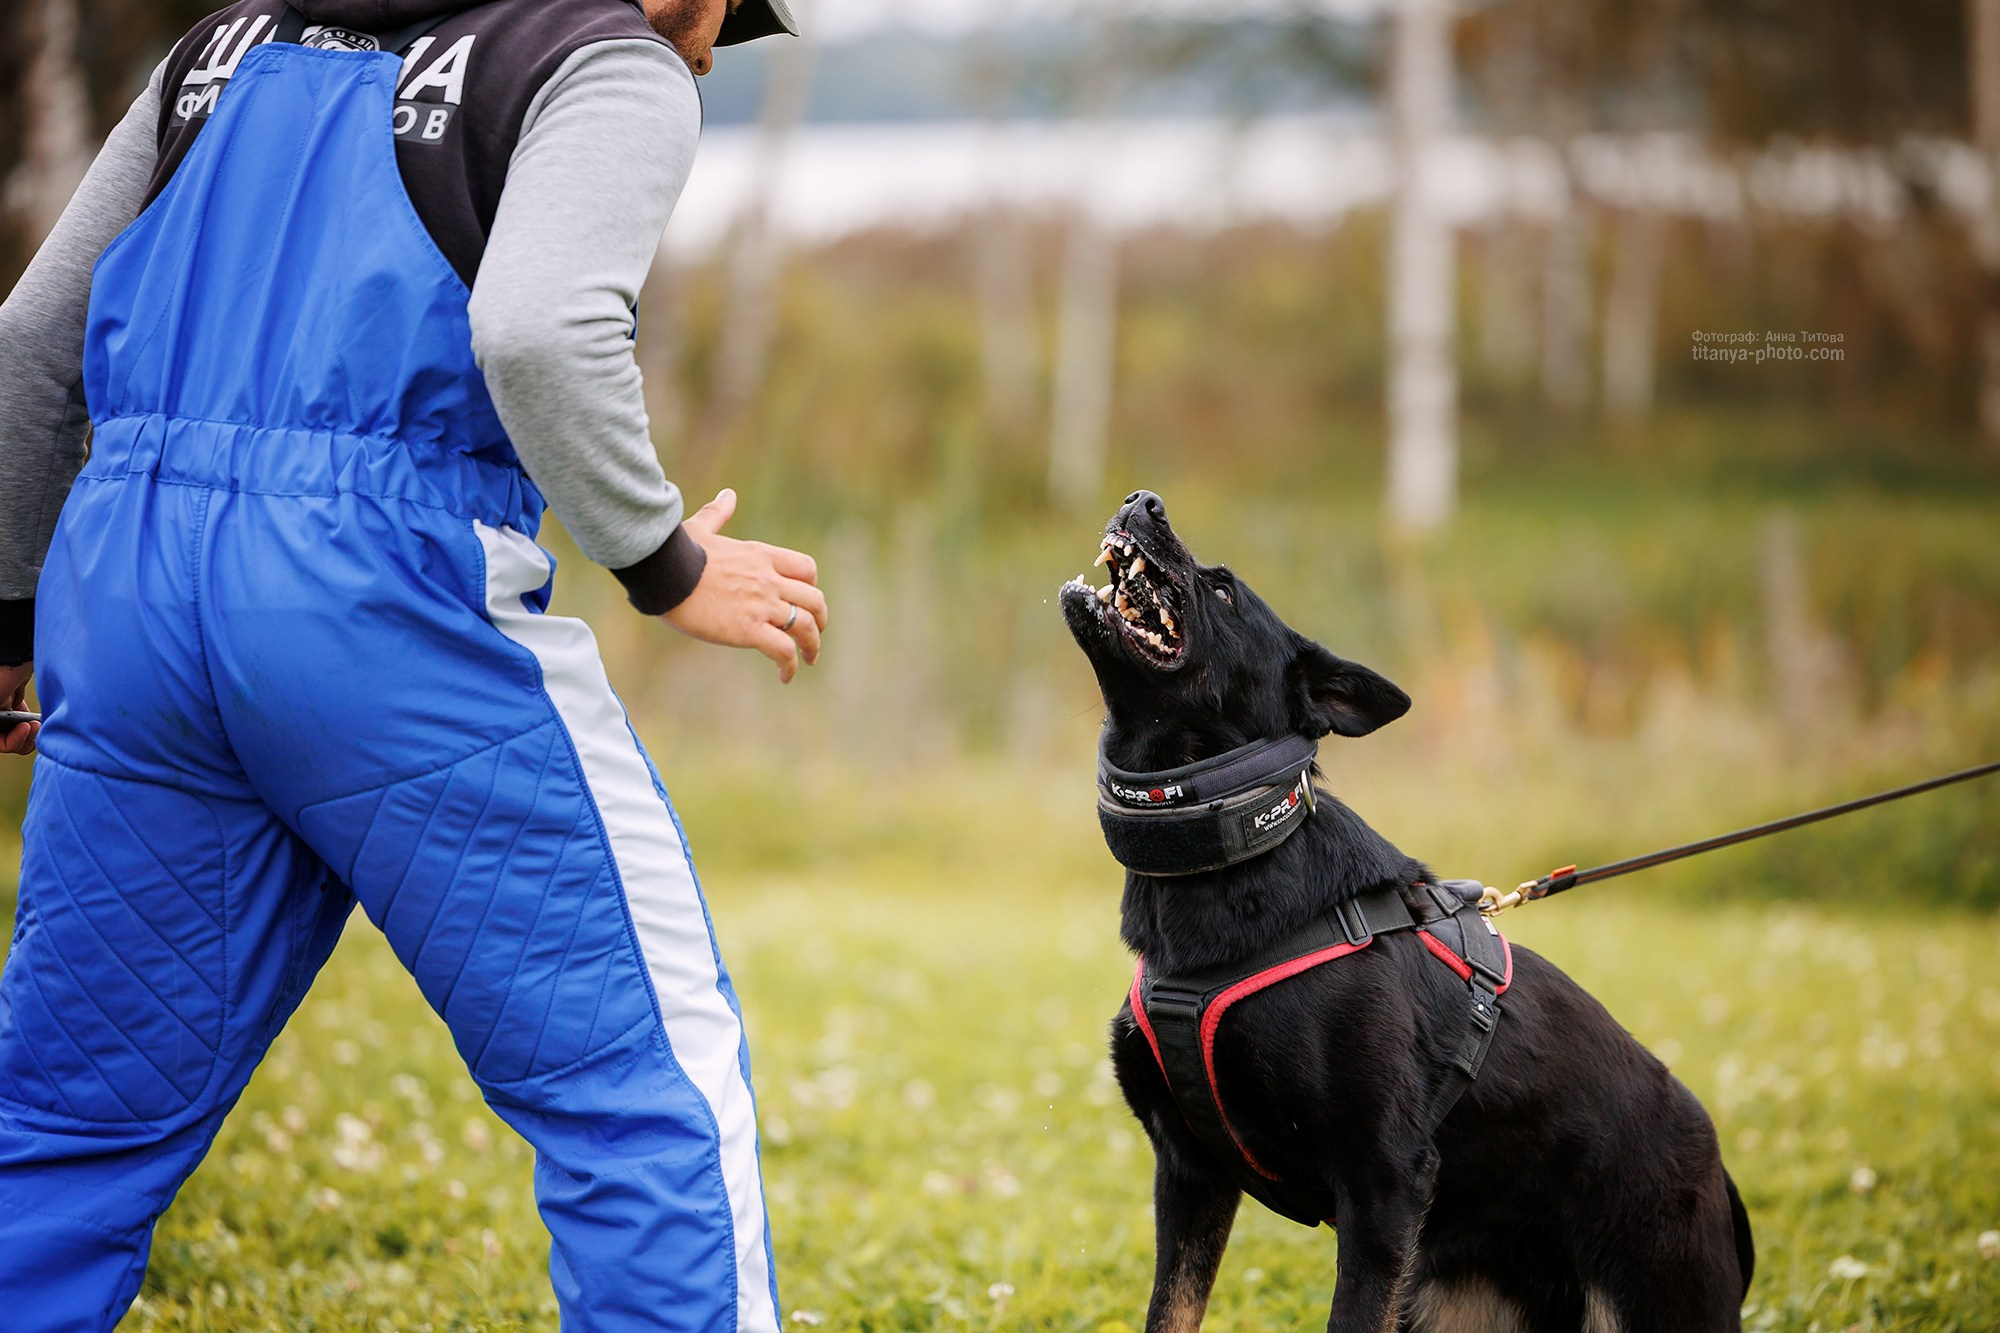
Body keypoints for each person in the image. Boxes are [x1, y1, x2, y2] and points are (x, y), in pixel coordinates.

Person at [0, 0, 820, 1327]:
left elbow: (32, 346)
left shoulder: (222, 46)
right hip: (379, 602)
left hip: (128, 602)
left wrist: (5, 622)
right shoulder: (600, 57)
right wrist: (666, 562)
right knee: (640, 1087)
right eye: (729, 6)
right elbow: (537, 332)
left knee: (64, 1120)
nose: (714, 46)